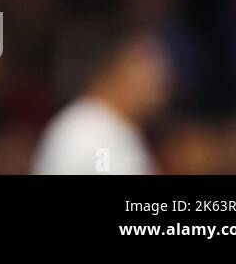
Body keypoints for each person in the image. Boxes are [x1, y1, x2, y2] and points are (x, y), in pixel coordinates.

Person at [32, 27, 173, 175]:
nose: (160, 80)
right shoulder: (88, 129)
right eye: (147, 66)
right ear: (115, 68)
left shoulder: (112, 127)